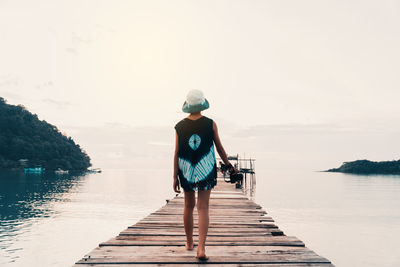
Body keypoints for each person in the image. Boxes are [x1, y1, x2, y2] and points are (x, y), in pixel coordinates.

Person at [173, 89, 238, 261]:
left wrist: (174, 176)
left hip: (185, 168)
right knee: (203, 207)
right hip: (206, 168)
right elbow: (220, 148)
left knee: (188, 205)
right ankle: (200, 249)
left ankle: (189, 243)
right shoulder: (210, 124)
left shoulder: (179, 126)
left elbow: (177, 152)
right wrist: (230, 166)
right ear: (202, 105)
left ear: (188, 106)